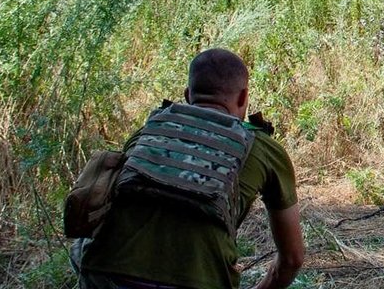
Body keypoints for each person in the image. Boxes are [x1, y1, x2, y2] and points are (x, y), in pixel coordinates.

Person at [73, 48, 306, 289]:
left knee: (80, 249)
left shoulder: (147, 132)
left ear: (187, 95)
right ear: (243, 97)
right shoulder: (265, 149)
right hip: (201, 281)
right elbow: (292, 259)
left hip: (105, 273)